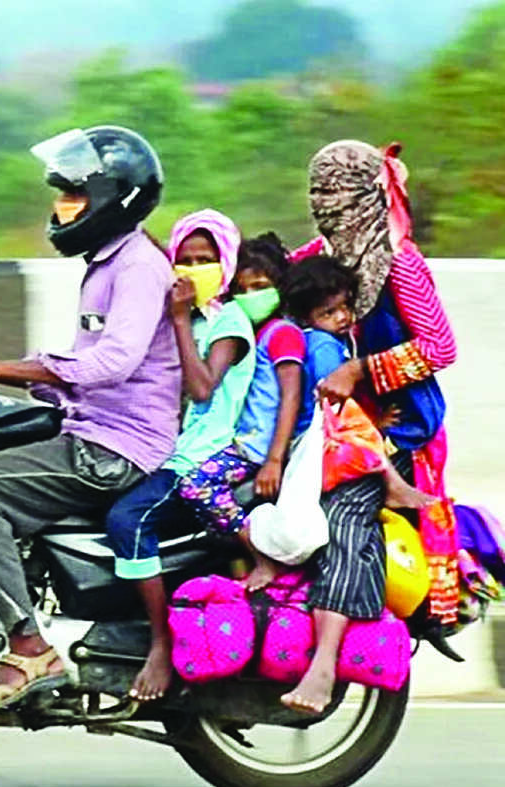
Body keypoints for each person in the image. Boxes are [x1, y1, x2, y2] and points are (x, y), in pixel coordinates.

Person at [0, 126, 180, 715]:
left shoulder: (139, 267)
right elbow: (87, 372)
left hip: (117, 449)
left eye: (71, 195)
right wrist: (2, 377)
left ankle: (28, 648)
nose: (59, 207)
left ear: (111, 198)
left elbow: (113, 362)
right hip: (93, 429)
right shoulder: (106, 264)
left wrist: (17, 369)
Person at [281, 140, 458, 714]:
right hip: (330, 425)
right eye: (316, 191)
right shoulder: (320, 254)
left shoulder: (400, 261)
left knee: (345, 516)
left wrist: (363, 369)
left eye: (337, 191)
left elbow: (440, 346)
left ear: (367, 194)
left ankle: (326, 665)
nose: (325, 203)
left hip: (396, 430)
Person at [105, 209, 255, 702]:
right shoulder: (181, 318)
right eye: (185, 260)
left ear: (225, 263)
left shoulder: (228, 320)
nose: (194, 269)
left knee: (127, 520)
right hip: (159, 447)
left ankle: (160, 640)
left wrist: (177, 319)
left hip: (200, 455)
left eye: (206, 259)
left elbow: (203, 386)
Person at [176, 232, 305, 591]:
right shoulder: (249, 331)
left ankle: (263, 558)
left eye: (261, 286)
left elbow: (289, 397)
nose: (251, 297)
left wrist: (274, 460)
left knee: (196, 486)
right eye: (242, 289)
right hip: (243, 440)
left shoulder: (283, 334)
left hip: (257, 448)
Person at [281, 254, 433, 510]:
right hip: (317, 436)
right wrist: (374, 425)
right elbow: (336, 407)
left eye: (345, 306)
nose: (342, 317)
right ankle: (393, 487)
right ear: (306, 318)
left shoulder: (335, 340)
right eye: (329, 312)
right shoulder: (323, 346)